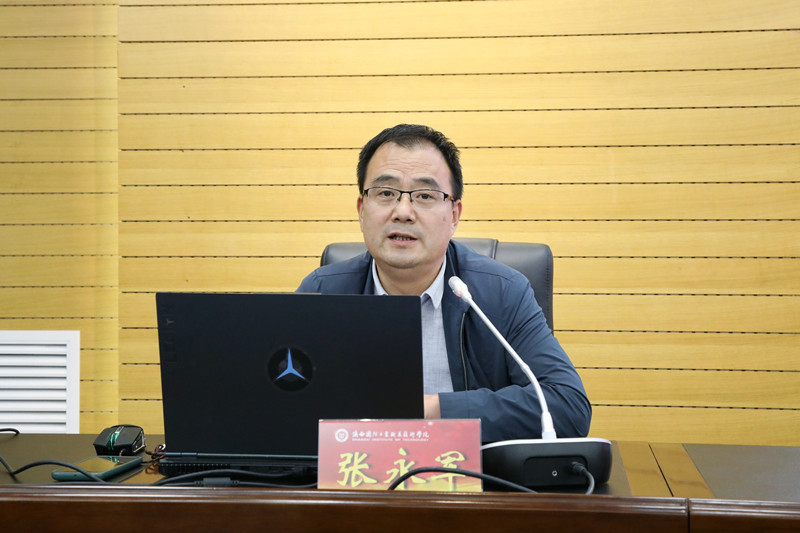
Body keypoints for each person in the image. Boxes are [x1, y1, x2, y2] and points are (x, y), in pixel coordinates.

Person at [297, 124, 591, 443]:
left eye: (425, 196)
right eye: (385, 193)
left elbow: (567, 406)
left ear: (454, 215)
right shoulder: (322, 292)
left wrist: (430, 409)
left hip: (468, 473)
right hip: (356, 470)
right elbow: (281, 401)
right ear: (361, 210)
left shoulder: (501, 293)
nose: (403, 212)